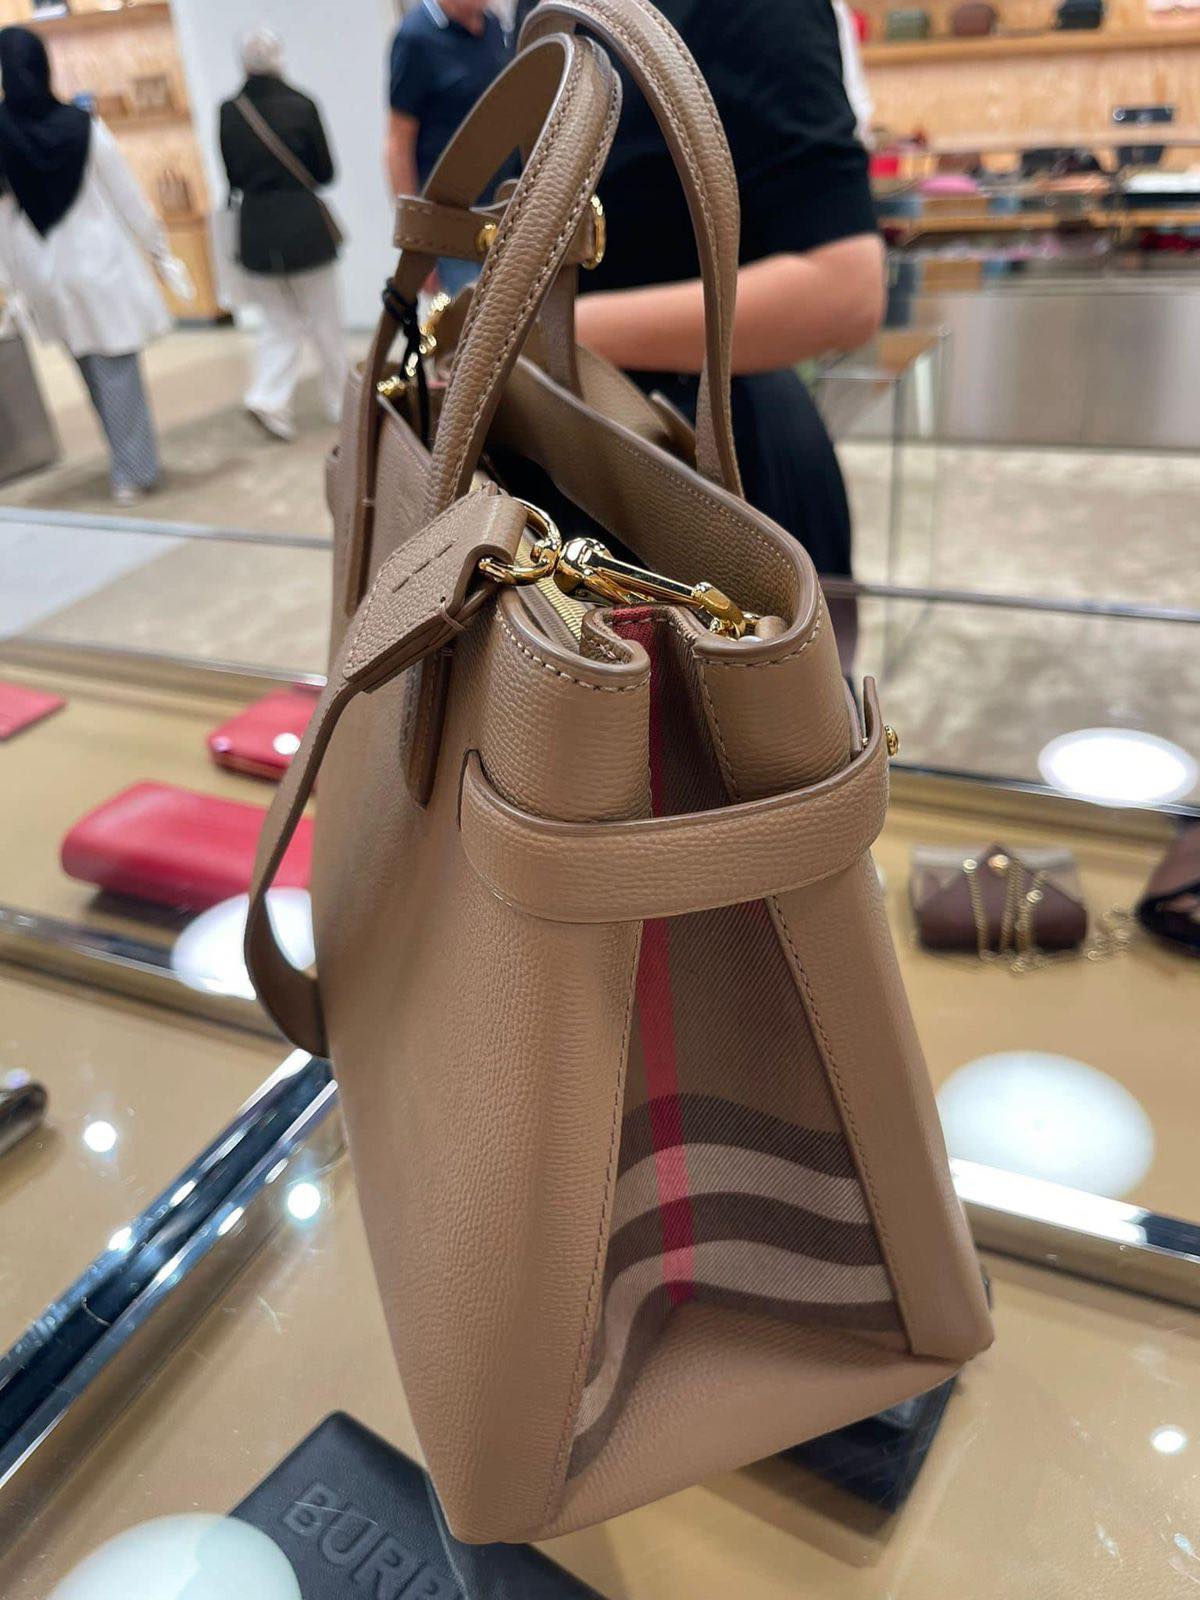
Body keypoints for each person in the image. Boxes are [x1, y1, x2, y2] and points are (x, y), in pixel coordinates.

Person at [545, 0, 885, 581]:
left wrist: (542, 333)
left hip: (719, 462)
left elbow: (844, 289)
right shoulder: (541, 12)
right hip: (572, 445)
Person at [0, 26, 188, 504]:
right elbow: (128, 197)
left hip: (42, 271)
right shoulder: (82, 126)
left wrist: (11, 282)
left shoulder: (2, 133)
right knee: (117, 367)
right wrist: (159, 250)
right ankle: (132, 472)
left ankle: (125, 461)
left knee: (89, 368)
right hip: (97, 261)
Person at [219, 27, 348, 442]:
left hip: (255, 229)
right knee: (326, 322)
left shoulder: (229, 111)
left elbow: (233, 176)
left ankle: (269, 399)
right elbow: (325, 172)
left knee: (277, 322)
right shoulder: (302, 105)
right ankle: (341, 402)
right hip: (305, 227)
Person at [386, 0, 512, 296]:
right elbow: (398, 144)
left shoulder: (493, 26)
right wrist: (415, 242)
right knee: (472, 318)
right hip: (452, 225)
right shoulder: (416, 37)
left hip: (505, 211)